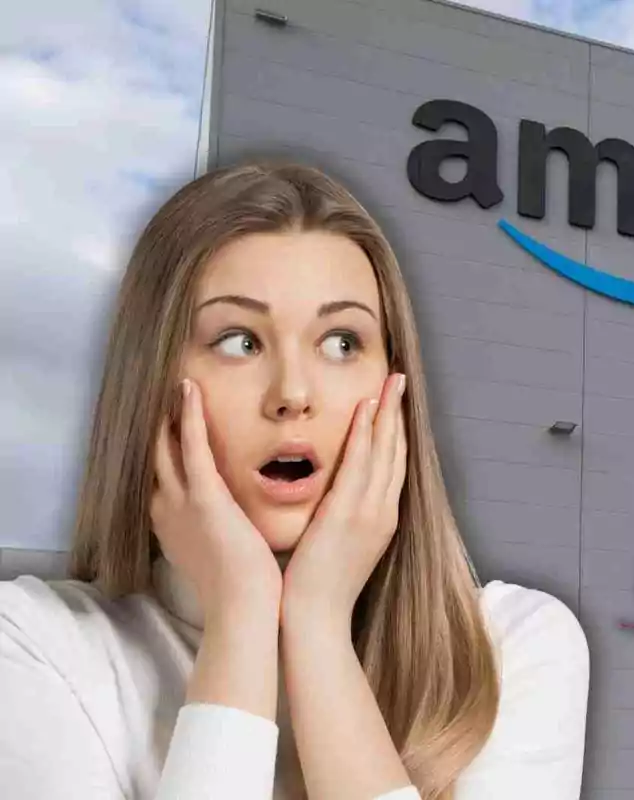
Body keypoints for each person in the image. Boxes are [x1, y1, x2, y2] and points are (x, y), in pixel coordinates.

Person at [0, 161, 590, 799]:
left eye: (341, 343)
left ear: (396, 387)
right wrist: (243, 618)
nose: (293, 394)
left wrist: (317, 627)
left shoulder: (511, 649)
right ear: (151, 387)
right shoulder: (35, 645)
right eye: (238, 341)